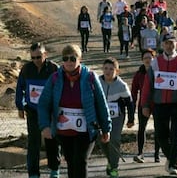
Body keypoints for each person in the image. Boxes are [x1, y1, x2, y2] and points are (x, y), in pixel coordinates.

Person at [38, 44, 112, 178]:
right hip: (64, 130)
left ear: (80, 59)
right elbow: (43, 103)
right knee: (71, 162)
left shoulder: (90, 77)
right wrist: (45, 126)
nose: (69, 62)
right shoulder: (55, 78)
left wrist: (106, 128)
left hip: (86, 129)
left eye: (73, 58)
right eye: (65, 58)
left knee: (80, 160)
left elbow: (101, 103)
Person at [141, 33, 177, 176]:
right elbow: (147, 85)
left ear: (176, 44)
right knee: (160, 135)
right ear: (162, 45)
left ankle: (173, 165)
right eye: (167, 43)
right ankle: (170, 157)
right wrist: (145, 105)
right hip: (160, 104)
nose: (169, 46)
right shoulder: (155, 62)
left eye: (172, 43)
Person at [15, 43, 61, 178]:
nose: (36, 60)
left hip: (50, 111)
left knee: (52, 140)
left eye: (39, 57)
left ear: (45, 54)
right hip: (33, 111)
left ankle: (54, 169)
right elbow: (20, 88)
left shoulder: (53, 68)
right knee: (33, 142)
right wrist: (20, 106)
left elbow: (60, 88)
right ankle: (33, 173)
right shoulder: (27, 69)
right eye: (33, 57)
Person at [99, 58, 134, 178]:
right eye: (106, 69)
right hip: (101, 116)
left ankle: (114, 167)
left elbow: (129, 103)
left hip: (117, 116)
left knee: (114, 139)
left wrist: (131, 119)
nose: (108, 71)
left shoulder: (121, 85)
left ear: (117, 71)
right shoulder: (97, 82)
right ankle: (111, 160)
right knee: (102, 140)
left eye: (111, 69)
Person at [131, 49, 160, 163]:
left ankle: (157, 154)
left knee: (158, 129)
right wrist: (133, 107)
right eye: (145, 58)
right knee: (141, 128)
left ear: (154, 59)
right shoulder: (139, 74)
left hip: (157, 104)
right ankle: (140, 153)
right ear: (142, 60)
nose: (148, 60)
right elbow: (133, 91)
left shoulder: (158, 72)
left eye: (150, 57)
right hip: (143, 104)